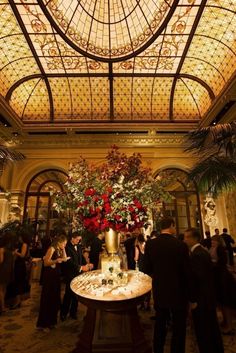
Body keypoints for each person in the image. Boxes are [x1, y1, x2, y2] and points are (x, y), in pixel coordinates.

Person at [144, 216, 194, 353]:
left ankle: (158, 349)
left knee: (160, 323)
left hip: (160, 290)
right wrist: (192, 297)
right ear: (172, 225)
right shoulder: (180, 245)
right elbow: (187, 272)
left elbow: (146, 269)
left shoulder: (151, 244)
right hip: (178, 291)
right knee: (179, 326)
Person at [184, 228, 224, 353]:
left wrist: (193, 300)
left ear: (194, 238)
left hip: (202, 299)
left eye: (186, 237)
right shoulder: (200, 252)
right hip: (207, 297)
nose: (184, 240)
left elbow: (198, 279)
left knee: (204, 330)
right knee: (211, 327)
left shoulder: (197, 254)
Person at [36, 234, 69, 331]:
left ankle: (51, 322)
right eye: (64, 244)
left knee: (54, 299)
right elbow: (46, 263)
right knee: (48, 299)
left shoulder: (59, 249)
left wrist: (63, 250)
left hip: (55, 277)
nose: (65, 245)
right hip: (49, 277)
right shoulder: (52, 249)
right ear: (59, 242)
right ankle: (44, 324)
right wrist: (55, 261)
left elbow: (64, 257)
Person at [60, 232, 93, 321]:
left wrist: (87, 264)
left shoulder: (78, 246)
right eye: (78, 239)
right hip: (70, 273)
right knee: (68, 294)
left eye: (79, 240)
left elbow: (81, 258)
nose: (79, 241)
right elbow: (69, 262)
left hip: (77, 274)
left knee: (76, 295)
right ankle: (63, 313)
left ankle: (73, 313)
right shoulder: (67, 247)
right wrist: (81, 267)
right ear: (72, 238)